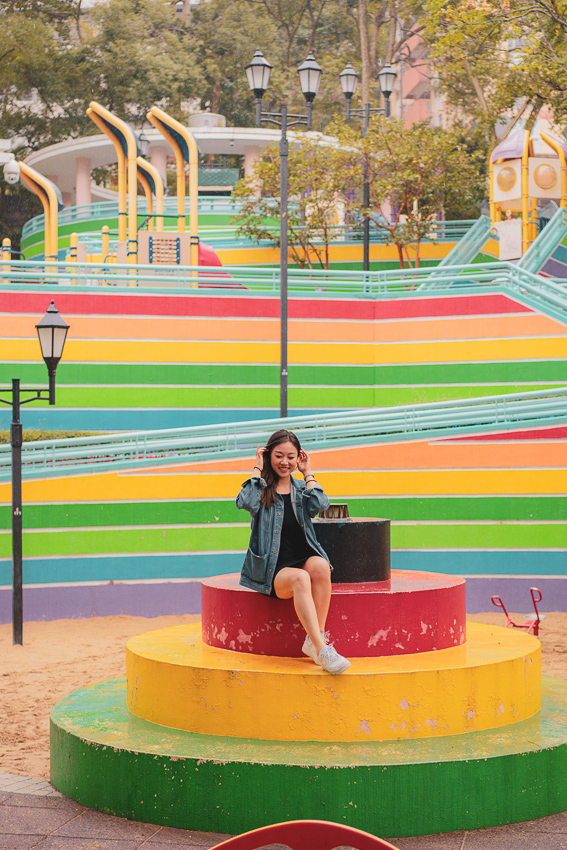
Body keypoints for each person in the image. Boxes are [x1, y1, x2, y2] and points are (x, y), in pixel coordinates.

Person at [236, 428, 351, 675]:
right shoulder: (262, 488)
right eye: (279, 455)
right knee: (301, 578)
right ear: (268, 456)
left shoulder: (301, 489)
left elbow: (321, 505)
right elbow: (244, 501)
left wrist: (308, 472)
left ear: (298, 457)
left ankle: (314, 639)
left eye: (291, 456)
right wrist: (257, 468)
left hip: (301, 559)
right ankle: (323, 650)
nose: (285, 462)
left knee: (320, 565)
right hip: (273, 568)